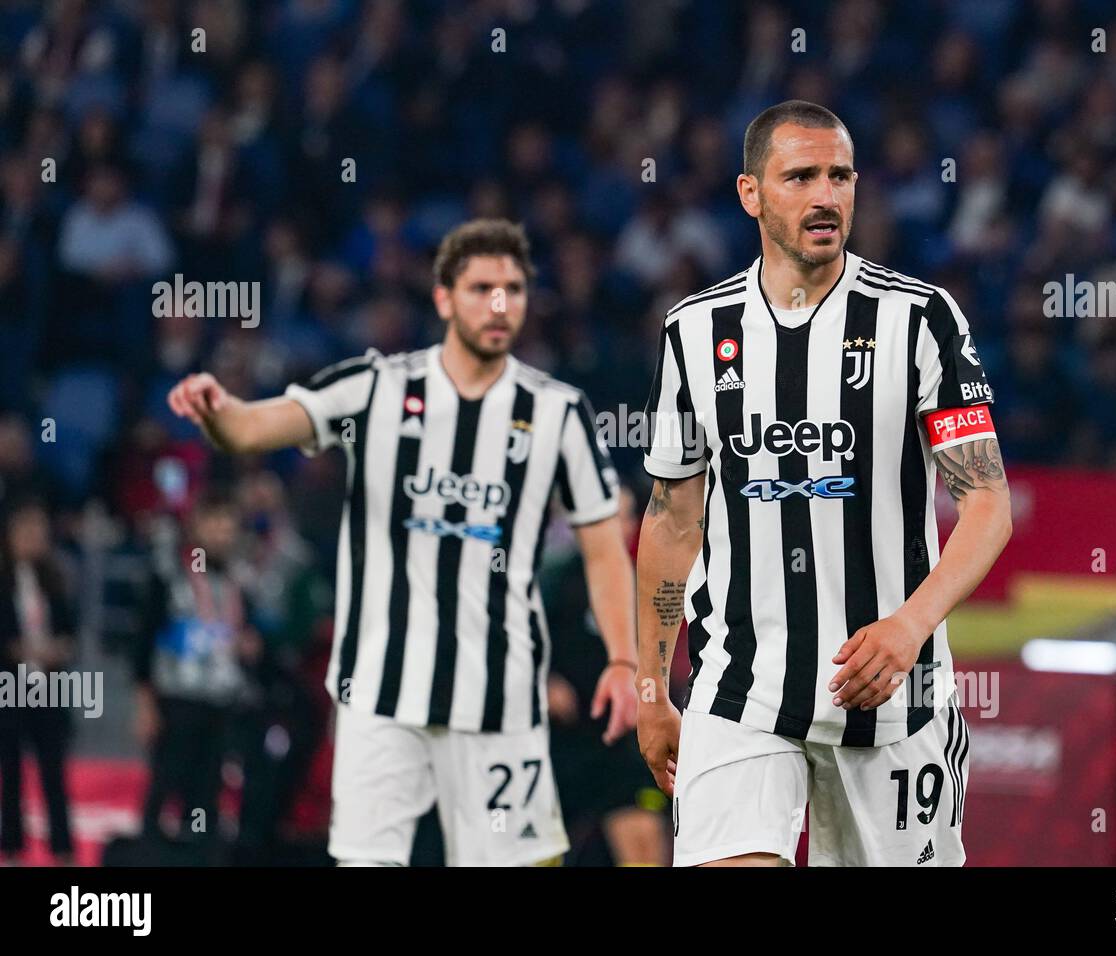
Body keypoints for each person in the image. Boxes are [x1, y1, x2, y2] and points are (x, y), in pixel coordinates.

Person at [166, 219, 638, 867]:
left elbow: (603, 545)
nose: (499, 306)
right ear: (443, 298)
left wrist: (621, 660)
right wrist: (220, 410)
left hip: (501, 700)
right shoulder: (375, 387)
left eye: (514, 290)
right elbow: (254, 429)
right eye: (481, 289)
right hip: (382, 696)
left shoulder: (558, 413)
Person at [635, 100, 1013, 867]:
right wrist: (652, 686)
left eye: (839, 176)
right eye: (800, 176)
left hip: (894, 701)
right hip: (741, 692)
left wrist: (909, 626)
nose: (825, 196)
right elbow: (673, 518)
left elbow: (985, 502)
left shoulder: (920, 319)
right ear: (751, 194)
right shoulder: (695, 332)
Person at [544, 487, 671, 866]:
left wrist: (652, 695)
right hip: (566, 739)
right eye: (608, 517)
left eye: (627, 516)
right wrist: (545, 681)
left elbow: (672, 654)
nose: (619, 526)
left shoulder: (653, 585)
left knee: (642, 839)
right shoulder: (553, 577)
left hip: (623, 743)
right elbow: (519, 638)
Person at [133, 489, 262, 848]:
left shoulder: (241, 578)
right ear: (196, 526)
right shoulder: (169, 574)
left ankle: (201, 858)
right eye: (214, 523)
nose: (222, 532)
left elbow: (248, 633)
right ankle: (147, 860)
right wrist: (145, 704)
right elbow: (144, 641)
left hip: (222, 701)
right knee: (164, 787)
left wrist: (251, 646)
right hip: (176, 700)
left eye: (228, 525)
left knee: (207, 794)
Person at [0, 497, 78, 865]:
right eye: (25, 530)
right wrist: (21, 650)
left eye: (38, 531)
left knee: (53, 771)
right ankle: (12, 848)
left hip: (49, 687)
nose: (33, 538)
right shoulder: (4, 583)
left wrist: (56, 650)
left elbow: (71, 631)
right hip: (9, 688)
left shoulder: (57, 580)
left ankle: (62, 849)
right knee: (10, 772)